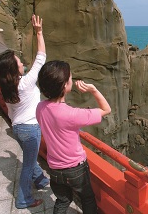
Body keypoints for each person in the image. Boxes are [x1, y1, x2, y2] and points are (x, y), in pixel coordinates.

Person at [36, 60, 111, 214]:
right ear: (64, 85)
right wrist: (94, 90)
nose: (72, 78)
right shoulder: (72, 114)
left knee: (63, 200)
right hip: (75, 168)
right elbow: (106, 109)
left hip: (55, 167)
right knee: (87, 199)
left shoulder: (40, 107)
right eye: (70, 77)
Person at [0, 15, 49, 209]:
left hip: (17, 128)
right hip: (30, 129)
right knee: (27, 165)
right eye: (18, 61)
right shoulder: (25, 83)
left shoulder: (5, 86)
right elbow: (41, 57)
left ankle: (41, 180)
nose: (21, 62)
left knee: (30, 157)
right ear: (14, 68)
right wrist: (39, 32)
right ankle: (23, 199)